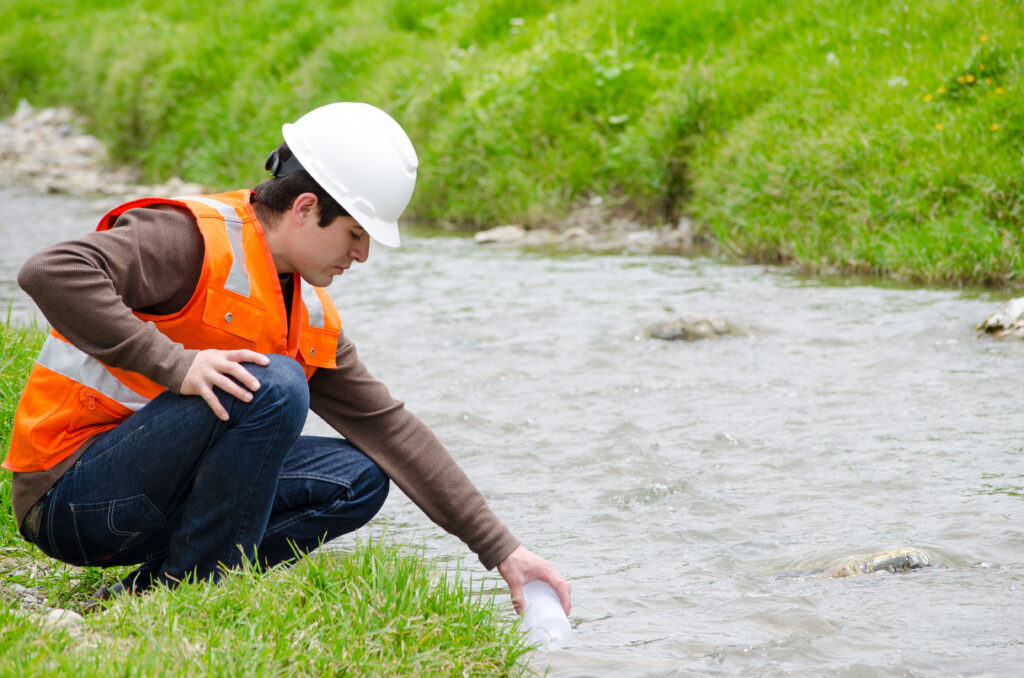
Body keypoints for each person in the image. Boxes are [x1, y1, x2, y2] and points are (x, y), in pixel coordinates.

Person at [4, 102, 571, 616]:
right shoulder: (185, 239)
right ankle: (208, 595)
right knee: (275, 384)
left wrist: (505, 552)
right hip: (70, 498)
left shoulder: (306, 312)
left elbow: (390, 429)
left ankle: (167, 595)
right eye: (354, 233)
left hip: (152, 503)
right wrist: (177, 365)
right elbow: (50, 272)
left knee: (363, 476)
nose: (363, 254)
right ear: (305, 207)